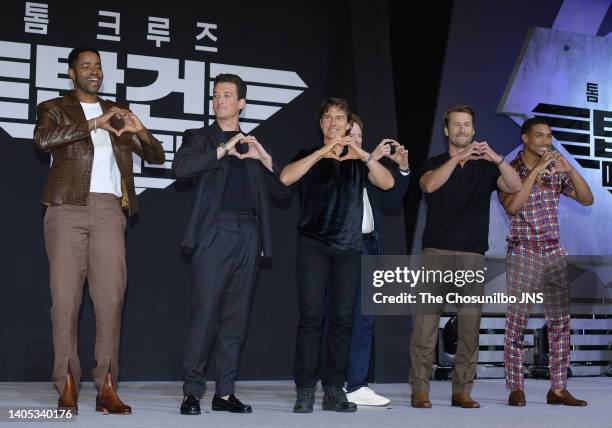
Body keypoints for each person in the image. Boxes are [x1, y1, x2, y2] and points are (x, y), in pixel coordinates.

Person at [33, 45, 165, 415]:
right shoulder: (55, 108)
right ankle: (68, 383)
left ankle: (107, 385)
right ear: (72, 73)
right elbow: (42, 141)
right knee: (65, 302)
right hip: (66, 207)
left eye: (99, 67)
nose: (95, 71)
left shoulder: (118, 112)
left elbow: (156, 156)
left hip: (109, 210)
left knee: (110, 302)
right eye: (86, 66)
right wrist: (94, 123)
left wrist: (139, 129)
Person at [173, 73, 288, 415]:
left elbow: (283, 190)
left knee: (236, 319)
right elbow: (181, 169)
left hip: (248, 233)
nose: (219, 100)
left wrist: (264, 159)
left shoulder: (254, 142)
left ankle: (224, 393)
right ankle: (192, 391)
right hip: (215, 231)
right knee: (205, 313)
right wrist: (223, 149)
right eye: (215, 95)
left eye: (226, 95)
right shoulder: (200, 137)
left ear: (241, 103)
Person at [280, 98, 394, 413]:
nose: (333, 122)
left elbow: (388, 182)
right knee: (311, 318)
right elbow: (286, 178)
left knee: (343, 321)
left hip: (348, 248)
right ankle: (305, 390)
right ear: (321, 125)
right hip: (313, 245)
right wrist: (321, 153)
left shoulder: (358, 161)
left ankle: (333, 390)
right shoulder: (308, 155)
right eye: (327, 117)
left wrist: (364, 155)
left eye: (339, 117)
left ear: (347, 125)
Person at [410, 104, 521, 409]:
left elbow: (515, 186)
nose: (462, 130)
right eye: (456, 125)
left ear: (474, 130)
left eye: (467, 125)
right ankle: (419, 389)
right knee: (425, 326)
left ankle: (462, 390)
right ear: (446, 130)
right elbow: (429, 185)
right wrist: (457, 157)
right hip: (436, 252)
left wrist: (497, 158)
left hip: (473, 255)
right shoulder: (434, 163)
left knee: (469, 328)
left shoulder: (486, 167)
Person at [498, 117, 593, 407]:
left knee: (560, 323)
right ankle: (516, 387)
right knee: (518, 321)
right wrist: (536, 170)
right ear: (525, 138)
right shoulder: (509, 169)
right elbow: (512, 206)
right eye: (540, 136)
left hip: (552, 251)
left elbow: (587, 199)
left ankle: (558, 389)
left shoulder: (555, 168)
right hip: (523, 250)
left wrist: (570, 169)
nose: (546, 141)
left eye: (549, 136)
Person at [344, 114, 410, 406]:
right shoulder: (338, 166)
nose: (356, 141)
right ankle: (332, 379)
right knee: (334, 318)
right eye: (351, 135)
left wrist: (403, 167)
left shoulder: (370, 169)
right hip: (340, 248)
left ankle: (356, 384)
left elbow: (392, 201)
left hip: (368, 247)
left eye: (360, 136)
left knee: (364, 320)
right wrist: (369, 158)